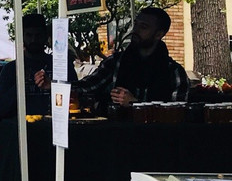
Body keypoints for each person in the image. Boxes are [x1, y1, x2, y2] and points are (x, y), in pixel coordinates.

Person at [58, 6, 188, 109]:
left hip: (155, 134)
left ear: (159, 34)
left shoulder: (174, 72)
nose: (135, 30)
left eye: (143, 27)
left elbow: (177, 114)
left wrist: (135, 104)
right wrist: (56, 86)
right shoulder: (116, 62)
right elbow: (88, 85)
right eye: (136, 24)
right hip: (115, 132)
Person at [0, 12, 77, 118]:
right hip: (21, 126)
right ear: (22, 37)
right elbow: (1, 108)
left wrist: (53, 87)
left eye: (38, 35)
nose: (33, 40)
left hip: (54, 125)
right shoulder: (11, 69)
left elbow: (76, 96)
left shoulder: (61, 66)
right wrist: (19, 85)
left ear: (45, 36)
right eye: (29, 35)